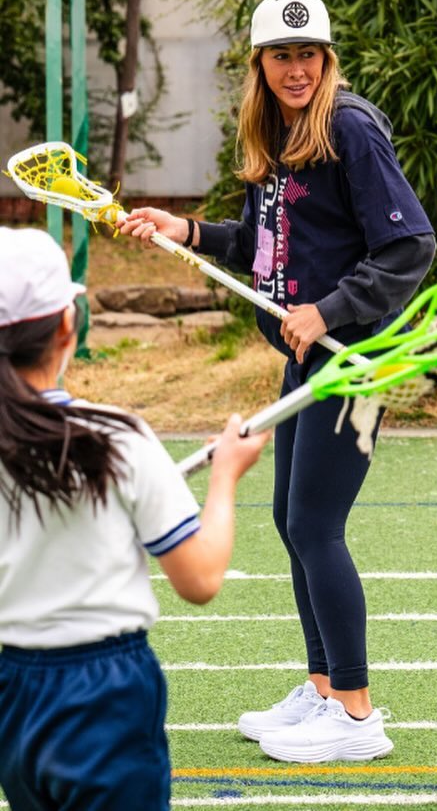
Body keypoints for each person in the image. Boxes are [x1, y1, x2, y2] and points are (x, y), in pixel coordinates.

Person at [120, 0, 436, 764]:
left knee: (315, 527)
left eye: (309, 55)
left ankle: (357, 716)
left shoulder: (349, 128)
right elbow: (262, 244)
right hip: (306, 362)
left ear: (326, 60)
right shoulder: (281, 132)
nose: (296, 69)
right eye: (281, 56)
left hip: (351, 361)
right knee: (291, 525)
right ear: (259, 65)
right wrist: (183, 229)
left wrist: (328, 312)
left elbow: (409, 246)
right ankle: (323, 687)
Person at [0, 226, 268, 811]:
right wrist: (224, 479)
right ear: (67, 325)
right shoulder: (117, 438)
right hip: (106, 689)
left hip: (12, 686)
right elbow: (199, 580)